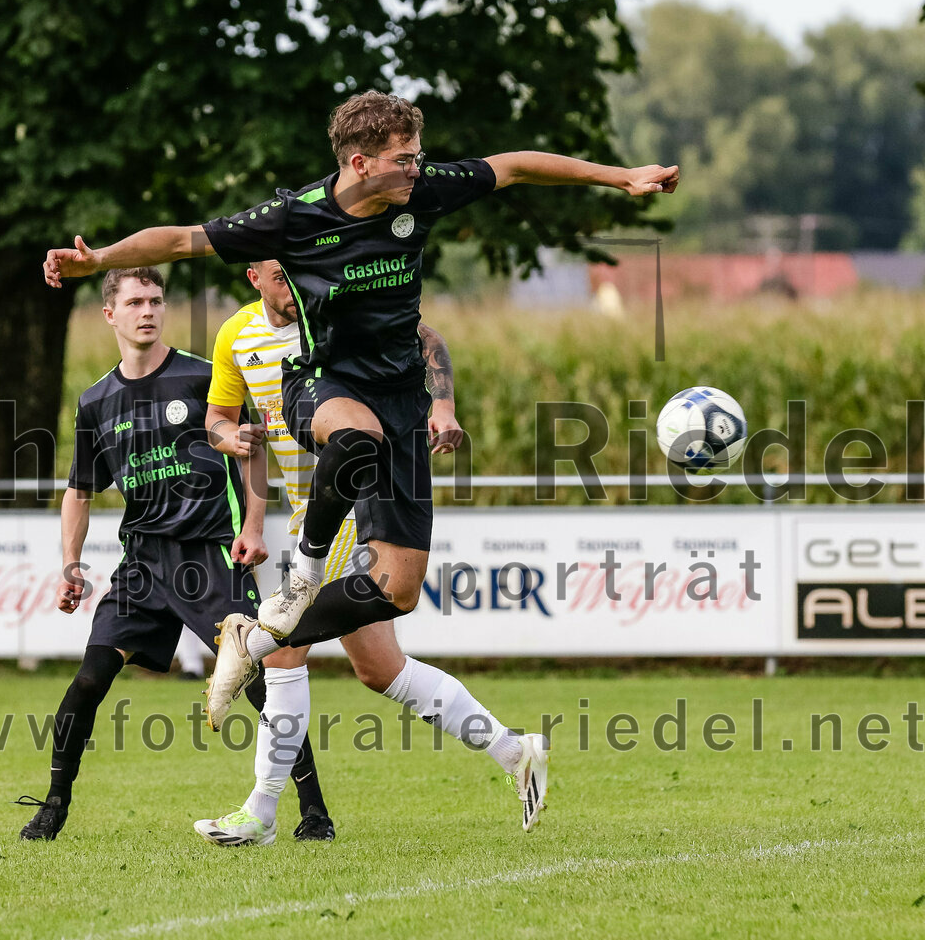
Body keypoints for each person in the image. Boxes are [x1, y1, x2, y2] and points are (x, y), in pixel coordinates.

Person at [42, 89, 677, 826]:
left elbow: (513, 167)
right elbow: (182, 240)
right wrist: (102, 258)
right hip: (325, 385)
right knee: (354, 441)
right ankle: (275, 755)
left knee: (394, 602)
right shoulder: (295, 217)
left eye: (418, 156)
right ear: (360, 162)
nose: (418, 168)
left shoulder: (420, 190)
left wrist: (620, 176)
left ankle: (502, 745)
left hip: (402, 404)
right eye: (405, 158)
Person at [190, 259, 543, 843]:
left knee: (283, 650)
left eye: (296, 272)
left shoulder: (335, 310)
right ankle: (514, 751)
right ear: (254, 277)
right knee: (381, 669)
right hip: (310, 510)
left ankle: (261, 810)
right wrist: (232, 438)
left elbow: (425, 336)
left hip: (363, 503)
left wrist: (443, 406)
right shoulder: (235, 334)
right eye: (279, 275)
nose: (292, 284)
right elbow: (218, 421)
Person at [16, 267, 334, 842]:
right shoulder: (96, 402)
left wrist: (254, 527)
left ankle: (314, 812)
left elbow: (252, 449)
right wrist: (70, 564)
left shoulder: (202, 377)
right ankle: (53, 805)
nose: (148, 311)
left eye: (156, 300)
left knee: (261, 681)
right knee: (88, 680)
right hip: (142, 563)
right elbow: (79, 492)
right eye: (135, 302)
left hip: (209, 555)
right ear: (109, 314)